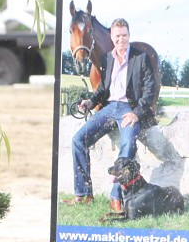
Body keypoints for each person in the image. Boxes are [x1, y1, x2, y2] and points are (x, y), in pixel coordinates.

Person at [63, 18, 158, 213]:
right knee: (78, 140)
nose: (121, 39)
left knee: (128, 144)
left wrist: (137, 113)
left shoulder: (141, 57)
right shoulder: (107, 58)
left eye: (124, 35)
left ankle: (116, 196)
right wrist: (90, 102)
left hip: (128, 109)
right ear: (112, 37)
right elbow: (104, 88)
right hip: (109, 108)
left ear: (129, 35)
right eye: (117, 36)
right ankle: (83, 194)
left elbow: (150, 89)